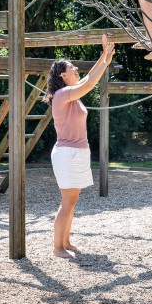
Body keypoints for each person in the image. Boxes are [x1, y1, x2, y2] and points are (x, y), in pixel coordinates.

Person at [44, 34, 115, 258]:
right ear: (62, 75)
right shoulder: (62, 94)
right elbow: (91, 83)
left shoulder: (72, 95)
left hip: (78, 152)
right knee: (67, 202)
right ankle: (57, 248)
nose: (76, 69)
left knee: (72, 201)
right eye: (72, 67)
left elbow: (86, 81)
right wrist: (104, 59)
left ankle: (65, 242)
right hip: (67, 154)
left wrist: (105, 57)